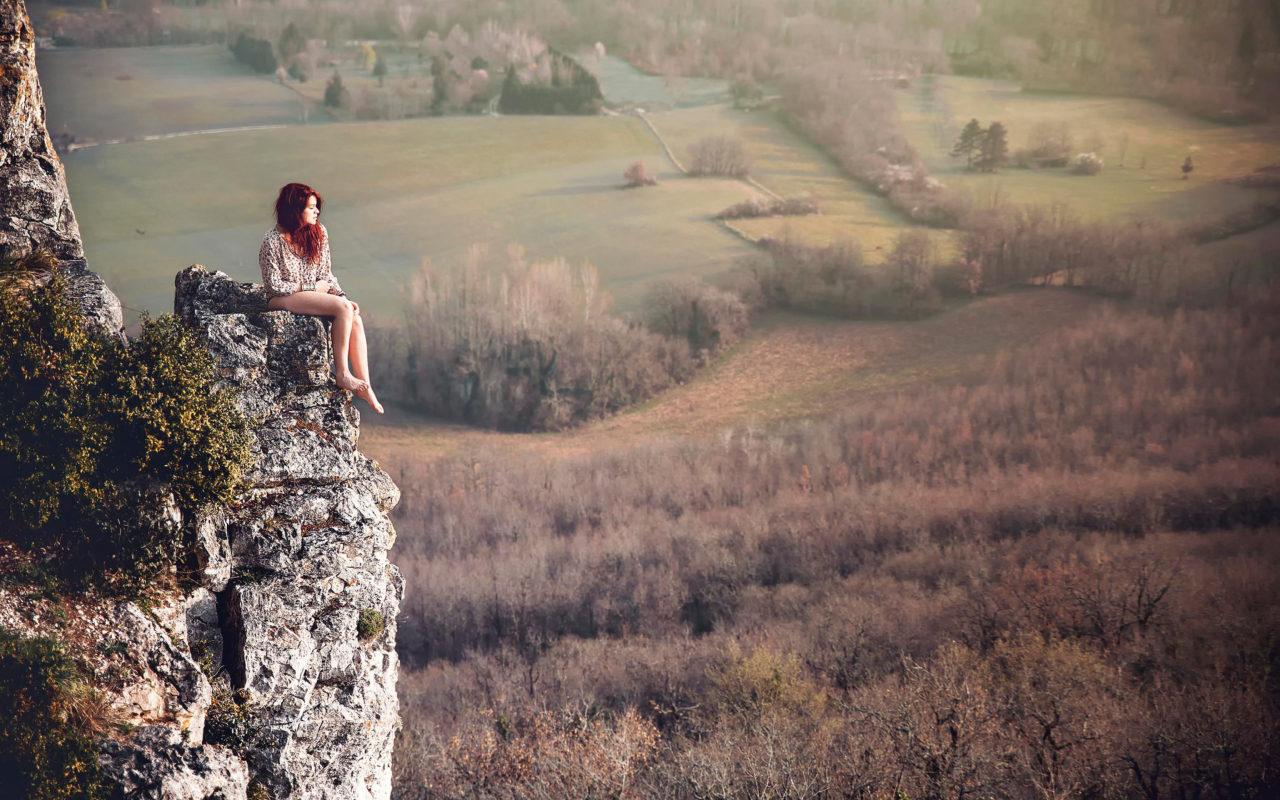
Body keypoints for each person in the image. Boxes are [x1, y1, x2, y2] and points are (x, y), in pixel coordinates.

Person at [259, 182, 383, 414]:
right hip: (281, 299)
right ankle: (343, 374)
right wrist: (310, 287)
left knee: (354, 316)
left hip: (310, 294)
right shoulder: (272, 241)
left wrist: (341, 296)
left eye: (317, 207)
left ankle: (366, 386)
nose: (317, 212)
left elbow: (326, 274)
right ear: (295, 210)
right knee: (343, 308)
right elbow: (274, 285)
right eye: (311, 208)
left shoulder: (319, 232)